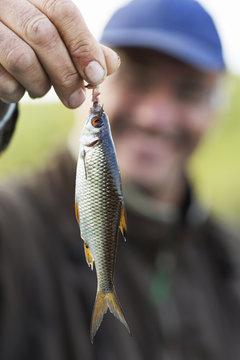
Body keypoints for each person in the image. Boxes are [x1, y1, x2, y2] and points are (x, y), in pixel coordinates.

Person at [1, 0, 240, 359]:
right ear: (90, 78)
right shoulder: (12, 227)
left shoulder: (230, 256)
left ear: (214, 109)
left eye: (188, 92)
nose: (155, 117)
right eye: (137, 80)